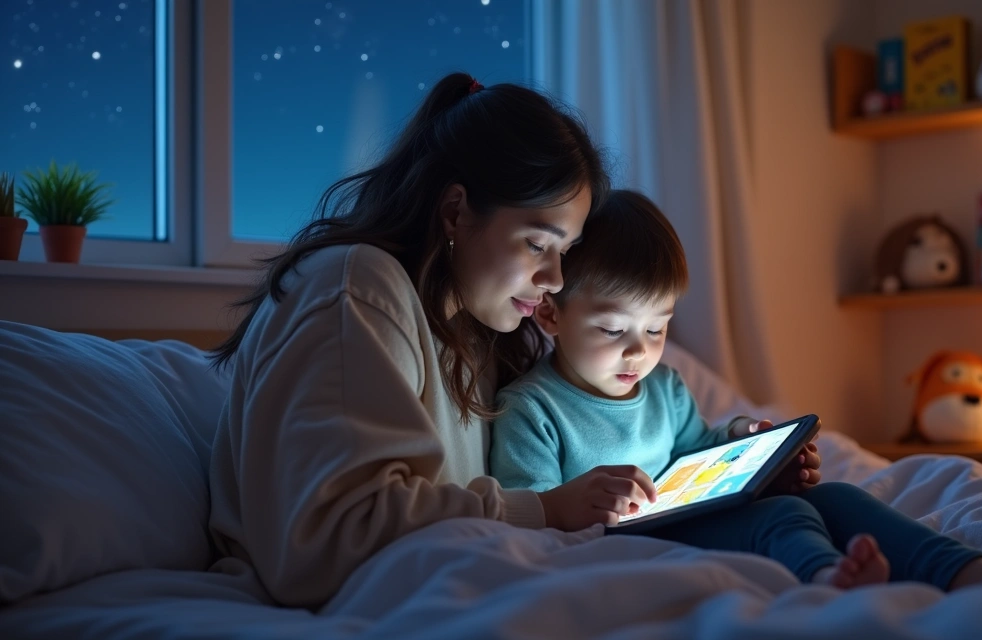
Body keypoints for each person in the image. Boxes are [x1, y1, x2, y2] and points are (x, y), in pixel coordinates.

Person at [489, 189, 982, 590]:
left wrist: (746, 446)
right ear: (550, 316)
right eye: (612, 329)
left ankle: (981, 573)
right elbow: (530, 515)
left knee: (836, 496)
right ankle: (830, 580)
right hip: (633, 543)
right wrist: (577, 499)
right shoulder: (533, 409)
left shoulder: (666, 386)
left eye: (657, 328)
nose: (637, 350)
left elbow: (697, 448)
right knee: (786, 515)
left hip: (689, 516)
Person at [206, 73, 660, 609]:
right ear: (455, 211)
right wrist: (546, 511)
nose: (555, 279)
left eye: (565, 252)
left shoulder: (470, 332)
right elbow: (337, 537)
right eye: (538, 244)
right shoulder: (356, 287)